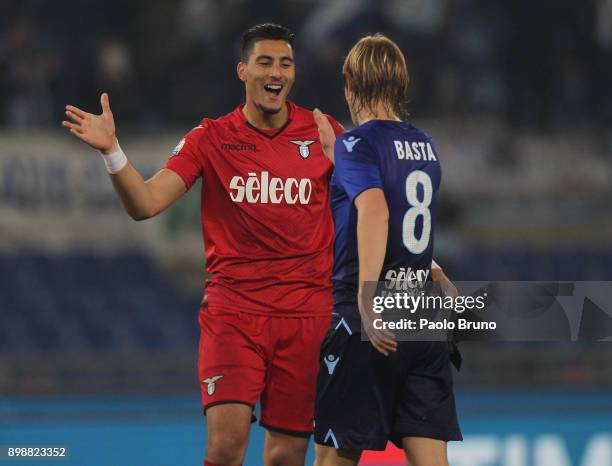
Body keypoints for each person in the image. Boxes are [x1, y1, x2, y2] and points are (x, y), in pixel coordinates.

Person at [63, 22, 456, 466]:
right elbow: (146, 203)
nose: (277, 73)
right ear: (242, 71)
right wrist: (112, 151)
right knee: (226, 445)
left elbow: (370, 206)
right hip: (235, 315)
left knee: (286, 456)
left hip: (309, 316)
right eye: (265, 62)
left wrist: (427, 262)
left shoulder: (323, 130)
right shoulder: (210, 138)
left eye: (286, 63)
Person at [312, 34, 462, 466]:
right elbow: (404, 221)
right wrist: (434, 272)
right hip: (422, 318)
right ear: (401, 84)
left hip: (369, 322)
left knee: (334, 458)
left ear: (349, 84)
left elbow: (376, 213)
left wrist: (366, 300)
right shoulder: (426, 147)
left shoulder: (357, 144)